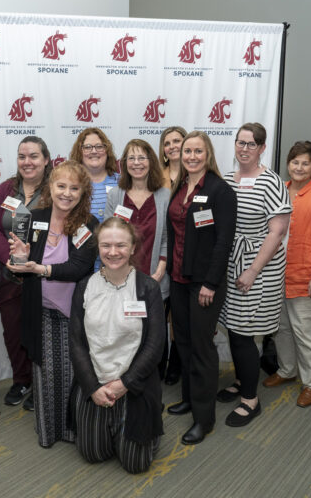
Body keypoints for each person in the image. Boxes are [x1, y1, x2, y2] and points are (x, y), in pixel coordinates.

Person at [7, 160, 98, 448]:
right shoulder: (34, 217)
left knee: (73, 372)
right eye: (61, 186)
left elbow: (79, 267)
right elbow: (17, 266)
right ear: (50, 187)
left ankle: (73, 429)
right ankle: (49, 431)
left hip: (73, 311)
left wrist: (41, 269)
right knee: (46, 373)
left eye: (74, 188)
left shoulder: (88, 224)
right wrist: (20, 259)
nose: (67, 193)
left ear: (83, 192)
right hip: (40, 309)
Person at [69, 218, 165, 473]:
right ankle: (110, 424)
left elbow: (155, 346)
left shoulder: (148, 287)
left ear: (133, 248)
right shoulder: (84, 286)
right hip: (96, 383)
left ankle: (147, 424)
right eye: (106, 245)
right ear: (98, 248)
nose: (113, 252)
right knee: (93, 454)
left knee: (135, 465)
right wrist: (92, 387)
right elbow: (76, 343)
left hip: (135, 384)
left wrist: (125, 383)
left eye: (121, 245)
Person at [165, 132, 237, 443]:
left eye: (198, 151)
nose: (192, 156)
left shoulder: (219, 190)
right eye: (187, 151)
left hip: (204, 282)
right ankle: (189, 399)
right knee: (183, 342)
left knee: (203, 348)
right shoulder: (181, 187)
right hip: (179, 278)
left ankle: (204, 419)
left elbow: (223, 242)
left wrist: (210, 282)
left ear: (208, 154)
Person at [218, 122, 292, 427]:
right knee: (234, 330)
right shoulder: (225, 179)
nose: (244, 148)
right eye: (240, 142)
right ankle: (240, 381)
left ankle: (251, 399)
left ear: (262, 148)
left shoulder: (272, 182)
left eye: (251, 144)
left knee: (243, 333)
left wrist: (252, 270)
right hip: (231, 264)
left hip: (259, 268)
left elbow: (277, 232)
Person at [262, 141, 311, 408]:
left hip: (306, 278)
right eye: (295, 162)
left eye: (305, 163)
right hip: (276, 276)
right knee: (281, 329)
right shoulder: (278, 191)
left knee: (305, 333)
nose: (299, 167)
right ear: (288, 163)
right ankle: (287, 371)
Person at [0, 136, 52, 411]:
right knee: (13, 331)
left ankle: (42, 384)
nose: (28, 162)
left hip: (41, 274)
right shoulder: (5, 190)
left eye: (34, 156)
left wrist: (31, 261)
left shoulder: (53, 189)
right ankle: (22, 379)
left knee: (41, 330)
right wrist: (8, 258)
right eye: (22, 156)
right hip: (10, 274)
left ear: (46, 159)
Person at [104, 139, 169, 300]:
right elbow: (106, 236)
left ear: (151, 162)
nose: (136, 163)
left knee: (153, 325)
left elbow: (167, 238)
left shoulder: (165, 196)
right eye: (131, 158)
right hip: (120, 278)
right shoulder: (115, 195)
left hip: (155, 277)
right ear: (124, 163)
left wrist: (160, 271)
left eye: (142, 158)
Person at [157, 126, 187, 384]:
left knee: (178, 316)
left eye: (178, 141)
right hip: (162, 253)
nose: (173, 146)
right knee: (160, 314)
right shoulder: (157, 177)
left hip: (186, 253)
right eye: (168, 143)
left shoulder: (196, 176)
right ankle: (160, 362)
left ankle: (176, 363)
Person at [70, 127, 118, 271]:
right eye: (88, 147)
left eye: (99, 146)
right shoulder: (71, 184)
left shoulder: (122, 182)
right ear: (80, 152)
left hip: (115, 259)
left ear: (107, 150)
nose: (94, 151)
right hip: (79, 261)